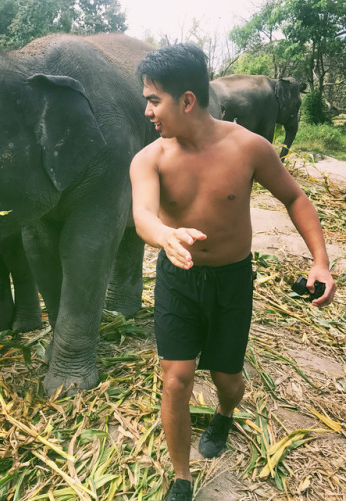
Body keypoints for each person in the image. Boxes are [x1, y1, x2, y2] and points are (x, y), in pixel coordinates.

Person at [130, 43, 337, 501]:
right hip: (178, 278)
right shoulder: (151, 158)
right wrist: (163, 235)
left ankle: (224, 414)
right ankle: (181, 479)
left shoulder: (248, 147)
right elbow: (143, 214)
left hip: (232, 281)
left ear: (187, 100)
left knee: (228, 380)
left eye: (153, 99)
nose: (147, 110)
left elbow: (295, 199)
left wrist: (320, 261)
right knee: (175, 377)